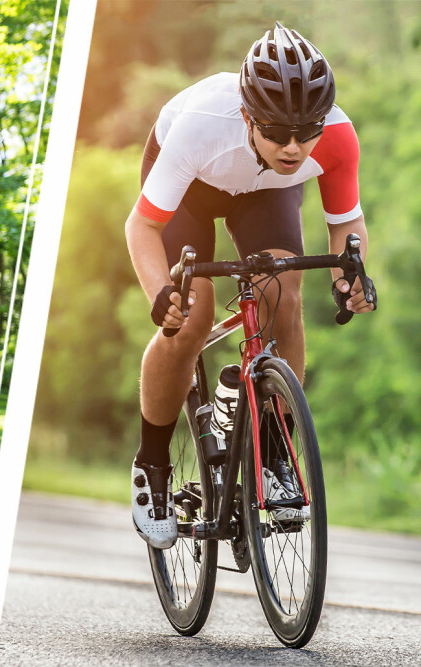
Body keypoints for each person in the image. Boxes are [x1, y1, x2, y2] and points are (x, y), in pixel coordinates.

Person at [125, 24, 374, 548]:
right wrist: (159, 295)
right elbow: (141, 227)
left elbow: (345, 226)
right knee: (190, 317)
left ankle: (276, 449)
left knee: (280, 294)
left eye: (306, 132)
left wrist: (349, 278)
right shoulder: (201, 126)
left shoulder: (334, 136)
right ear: (247, 116)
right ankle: (152, 463)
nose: (293, 147)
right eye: (277, 132)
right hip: (192, 188)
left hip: (263, 194)